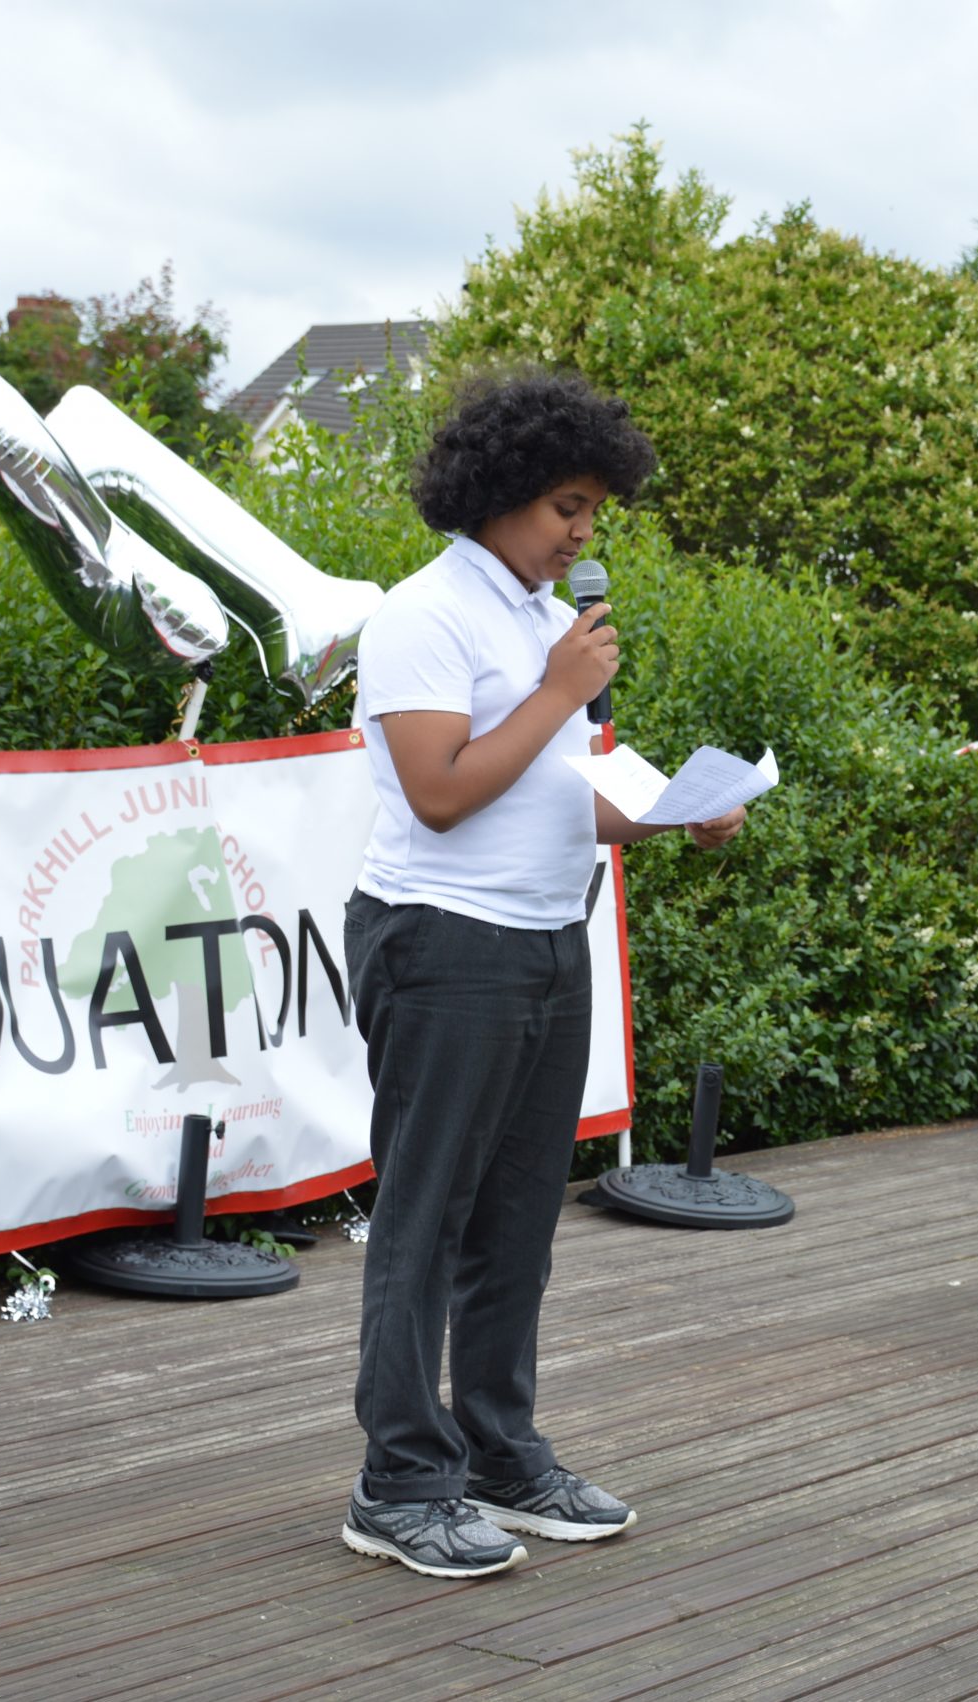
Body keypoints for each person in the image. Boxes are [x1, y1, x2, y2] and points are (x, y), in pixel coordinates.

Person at [340, 368, 747, 1579]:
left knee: (517, 1219)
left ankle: (497, 1450)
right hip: (443, 938)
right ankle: (398, 1482)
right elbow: (444, 793)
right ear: (503, 488)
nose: (583, 531)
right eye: (568, 504)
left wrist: (668, 813)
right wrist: (560, 688)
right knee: (427, 1218)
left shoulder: (534, 620)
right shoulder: (423, 614)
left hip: (543, 939)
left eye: (592, 509)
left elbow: (554, 788)